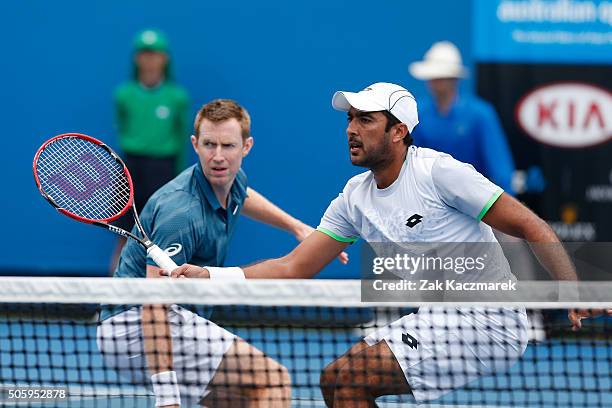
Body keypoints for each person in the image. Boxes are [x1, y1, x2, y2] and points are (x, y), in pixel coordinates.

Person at [170, 83, 602, 407]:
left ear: (398, 132)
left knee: (354, 378)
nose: (351, 130)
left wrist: (572, 289)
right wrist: (211, 276)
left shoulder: (440, 174)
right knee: (334, 381)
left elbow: (530, 224)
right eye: (349, 120)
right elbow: (291, 268)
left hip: (488, 320)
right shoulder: (354, 197)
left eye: (365, 120)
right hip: (436, 317)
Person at [97, 99, 347, 408]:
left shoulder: (230, 178)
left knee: (243, 397)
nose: (218, 157)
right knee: (272, 379)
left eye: (228, 145)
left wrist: (295, 226)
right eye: (209, 145)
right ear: (195, 144)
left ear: (246, 146)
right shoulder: (180, 214)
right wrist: (167, 397)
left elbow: (243, 195)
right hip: (134, 326)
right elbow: (155, 303)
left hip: (158, 320)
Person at [110, 29, 190, 271]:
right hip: (130, 170)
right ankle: (111, 304)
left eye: (155, 54)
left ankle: (160, 305)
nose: (150, 60)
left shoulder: (177, 97)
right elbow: (124, 128)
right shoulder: (123, 95)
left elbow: (179, 139)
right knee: (125, 238)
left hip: (163, 171)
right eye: (144, 54)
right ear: (137, 58)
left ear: (164, 58)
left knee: (164, 240)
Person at [408, 41, 516, 194]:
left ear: (454, 79)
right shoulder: (417, 113)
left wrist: (506, 213)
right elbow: (409, 163)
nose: (434, 82)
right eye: (431, 76)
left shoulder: (480, 114)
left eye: (441, 76)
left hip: (474, 203)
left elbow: (501, 170)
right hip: (430, 202)